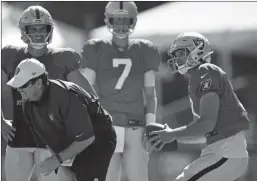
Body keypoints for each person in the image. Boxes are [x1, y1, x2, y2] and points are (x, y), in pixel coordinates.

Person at [1, 5, 96, 181]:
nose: (38, 33)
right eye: (33, 29)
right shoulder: (10, 55)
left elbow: (90, 99)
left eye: (42, 28)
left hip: (51, 142)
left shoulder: (63, 59)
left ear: (50, 30)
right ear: (23, 31)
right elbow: (3, 92)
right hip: (19, 138)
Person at [148, 32, 250, 181]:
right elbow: (206, 130)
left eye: (181, 53)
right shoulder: (198, 77)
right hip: (221, 152)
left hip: (226, 153)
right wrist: (172, 137)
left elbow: (207, 123)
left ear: (197, 51)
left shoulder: (205, 71)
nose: (177, 59)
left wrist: (172, 134)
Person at [80, 2, 161, 181]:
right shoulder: (96, 48)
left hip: (136, 126)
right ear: (108, 20)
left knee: (139, 178)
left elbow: (150, 95)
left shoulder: (144, 50)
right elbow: (86, 92)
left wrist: (151, 126)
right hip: (107, 126)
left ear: (133, 21)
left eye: (126, 20)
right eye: (116, 20)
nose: (121, 25)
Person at [6, 58, 117, 181]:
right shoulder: (28, 104)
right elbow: (48, 139)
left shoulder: (66, 96)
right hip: (73, 139)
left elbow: (87, 138)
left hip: (98, 138)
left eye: (23, 85)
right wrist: (62, 164)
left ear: (38, 83)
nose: (18, 89)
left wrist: (56, 160)